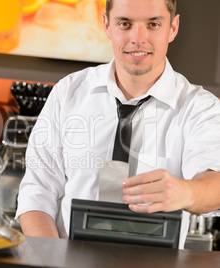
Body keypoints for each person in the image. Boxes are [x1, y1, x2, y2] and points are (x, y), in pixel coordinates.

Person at [15, 0, 220, 248]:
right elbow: (37, 193)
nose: (138, 38)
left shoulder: (200, 108)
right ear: (107, 25)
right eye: (125, 23)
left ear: (173, 28)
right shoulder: (68, 93)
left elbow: (214, 183)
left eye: (153, 24)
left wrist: (185, 192)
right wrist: (52, 260)